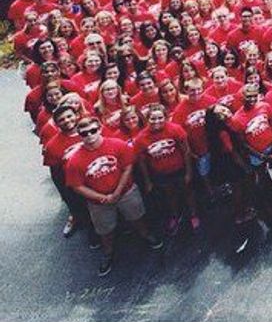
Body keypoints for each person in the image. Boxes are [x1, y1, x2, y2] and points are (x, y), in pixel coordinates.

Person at [65, 115, 163, 276]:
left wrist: (117, 191)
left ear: (100, 129)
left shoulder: (117, 144)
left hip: (126, 192)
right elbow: (77, 186)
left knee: (137, 216)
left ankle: (145, 234)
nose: (89, 135)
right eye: (84, 133)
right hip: (98, 202)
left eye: (92, 131)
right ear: (79, 134)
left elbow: (127, 168)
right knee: (105, 230)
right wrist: (100, 197)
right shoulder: (74, 160)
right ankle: (108, 252)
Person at [133, 102, 200, 235]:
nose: (156, 121)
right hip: (161, 173)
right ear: (147, 119)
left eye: (160, 118)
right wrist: (148, 181)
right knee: (169, 195)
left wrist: (188, 172)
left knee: (187, 192)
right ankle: (175, 215)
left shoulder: (175, 129)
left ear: (166, 117)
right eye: (153, 118)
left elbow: (186, 151)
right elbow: (142, 162)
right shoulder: (141, 138)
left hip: (179, 169)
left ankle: (193, 214)